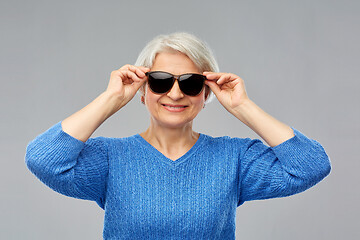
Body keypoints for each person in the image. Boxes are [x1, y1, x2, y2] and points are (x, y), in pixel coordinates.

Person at [25, 32, 331, 239]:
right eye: (159, 81)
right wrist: (111, 100)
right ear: (143, 91)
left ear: (206, 93)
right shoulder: (110, 159)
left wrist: (243, 106)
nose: (174, 92)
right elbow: (43, 159)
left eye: (191, 83)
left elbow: (311, 166)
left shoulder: (234, 158)